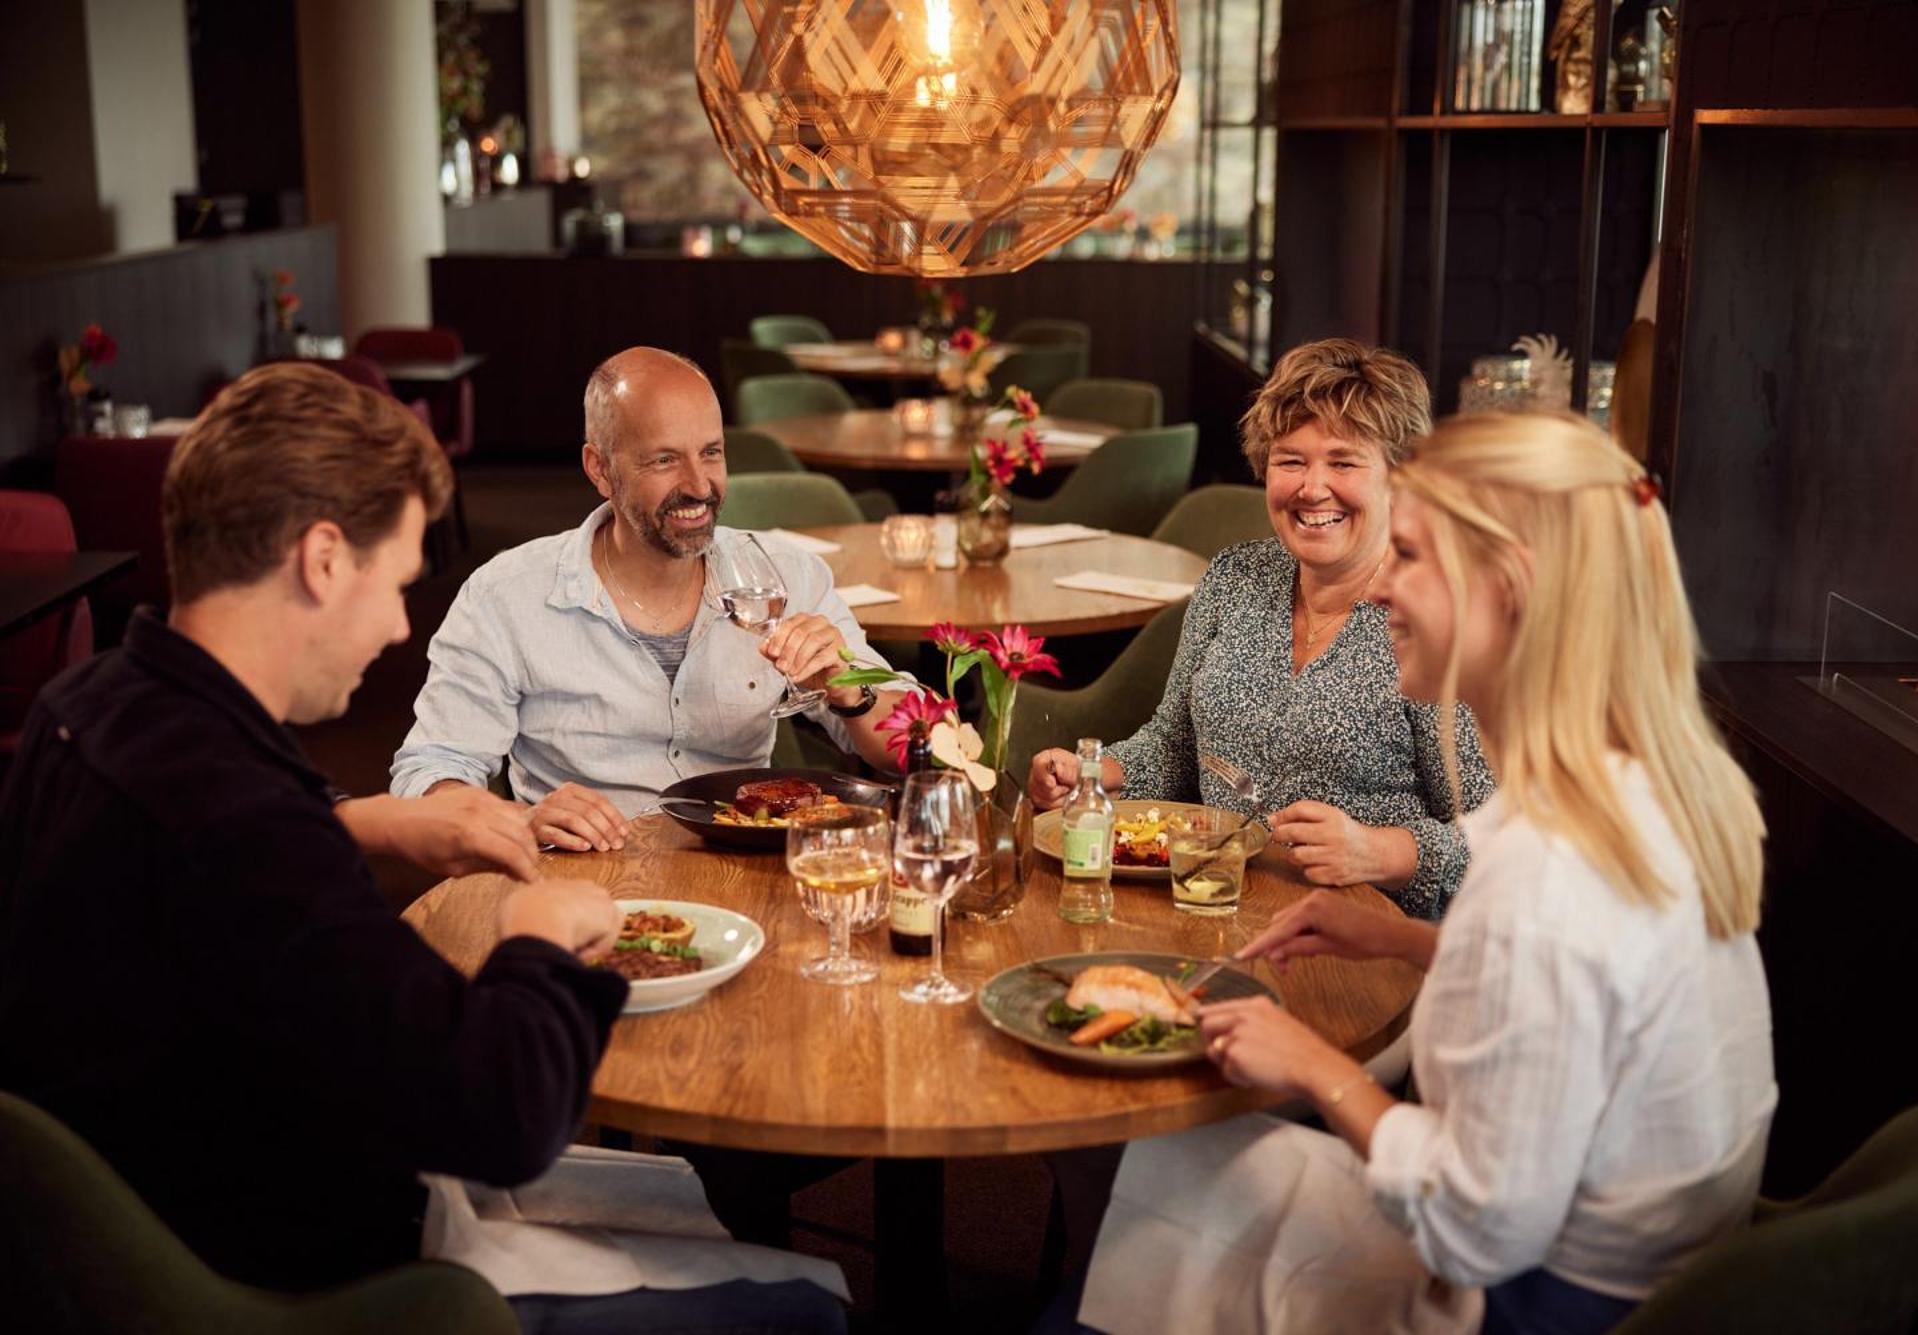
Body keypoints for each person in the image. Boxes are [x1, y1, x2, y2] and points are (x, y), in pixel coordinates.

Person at [0, 363, 844, 1331]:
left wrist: (358, 817)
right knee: (804, 1302)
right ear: (323, 559)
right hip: (319, 1281)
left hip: (128, 1234)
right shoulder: (255, 833)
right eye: (399, 580)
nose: (401, 624)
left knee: (703, 1214)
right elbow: (504, 1120)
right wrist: (534, 938)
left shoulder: (87, 708)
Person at [1073, 412, 1775, 1335]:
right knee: (1154, 1176)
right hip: (1655, 1260)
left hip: (1544, 1301)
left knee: (1145, 1191)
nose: (1378, 593)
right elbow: (1591, 1003)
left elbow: (1473, 1226)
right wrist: (1409, 938)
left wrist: (1315, 1065)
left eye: (1406, 556)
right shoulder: (1635, 780)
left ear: (1509, 588)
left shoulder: (1546, 875)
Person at [1027, 339, 1493, 920]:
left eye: (1343, 462)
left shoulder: (1431, 612)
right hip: (1208, 903)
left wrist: (1377, 851)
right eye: (1290, 460)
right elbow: (1173, 747)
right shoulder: (1234, 576)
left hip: (1366, 937)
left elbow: (1501, 840)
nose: (1311, 488)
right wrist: (1093, 778)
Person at [391, 347, 902, 854]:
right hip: (585, 887)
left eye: (711, 452)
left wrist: (850, 690)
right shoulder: (505, 595)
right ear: (600, 470)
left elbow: (907, 748)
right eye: (664, 460)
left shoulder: (787, 576)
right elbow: (430, 771)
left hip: (747, 875)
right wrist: (520, 819)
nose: (699, 486)